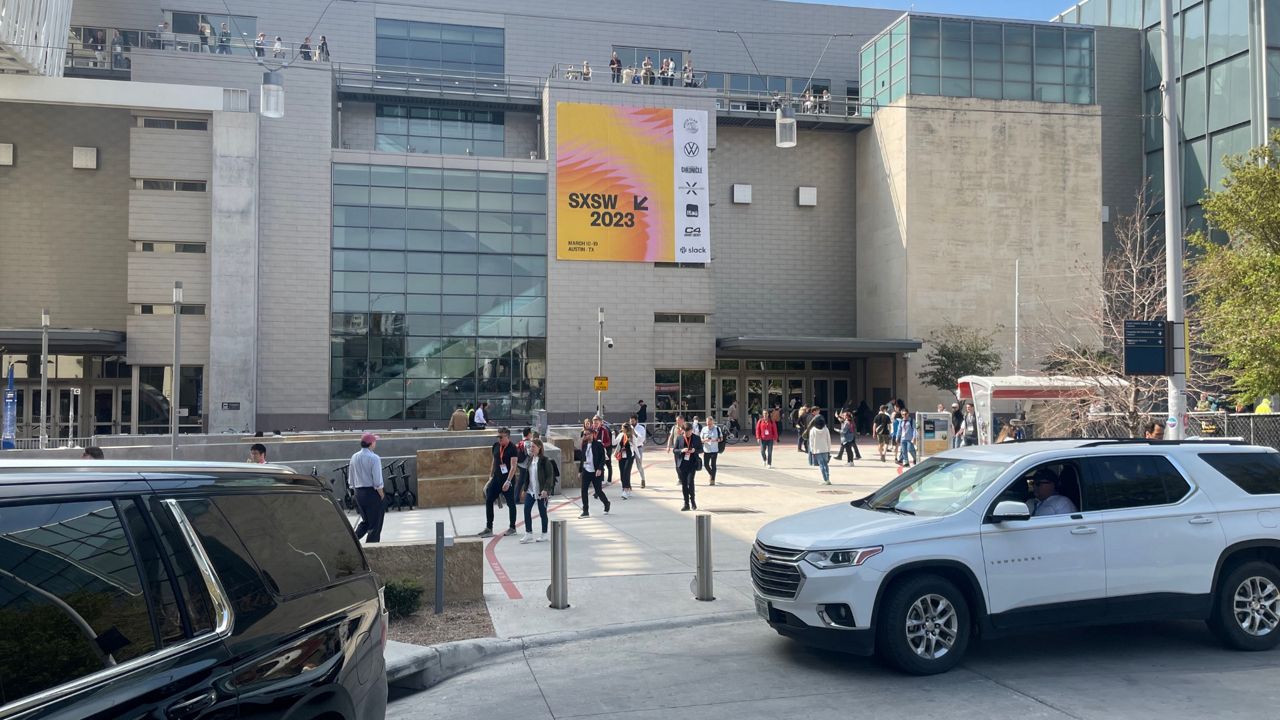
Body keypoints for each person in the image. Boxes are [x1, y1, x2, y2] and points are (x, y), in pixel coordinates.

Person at [479, 428, 519, 537]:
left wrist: (508, 481)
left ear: (508, 437)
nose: (499, 439)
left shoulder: (513, 448)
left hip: (507, 480)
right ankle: (489, 528)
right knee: (489, 499)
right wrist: (490, 476)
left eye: (501, 437)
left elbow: (513, 466)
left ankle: (512, 527)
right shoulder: (496, 446)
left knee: (511, 503)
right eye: (498, 437)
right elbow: (494, 461)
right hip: (496, 478)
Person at [351, 433, 385, 543]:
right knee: (375, 525)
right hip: (372, 493)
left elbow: (350, 478)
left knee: (366, 522)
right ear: (371, 443)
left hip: (358, 493)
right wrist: (381, 494)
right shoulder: (374, 458)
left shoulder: (354, 456)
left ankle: (352, 542)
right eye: (375, 441)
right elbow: (377, 480)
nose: (376, 443)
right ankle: (372, 549)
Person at [518, 439, 553, 543]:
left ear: (539, 448)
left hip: (541, 492)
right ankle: (528, 533)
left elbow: (549, 477)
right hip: (531, 491)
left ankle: (544, 534)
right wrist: (524, 489)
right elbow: (527, 476)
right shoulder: (530, 460)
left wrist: (546, 490)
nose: (531, 449)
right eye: (530, 447)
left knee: (543, 512)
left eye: (533, 447)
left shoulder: (545, 461)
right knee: (526, 510)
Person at [579, 426, 611, 517]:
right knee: (583, 490)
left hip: (596, 471)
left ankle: (606, 503)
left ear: (593, 434)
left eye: (587, 434)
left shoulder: (598, 445)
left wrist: (600, 469)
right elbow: (582, 458)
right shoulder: (584, 445)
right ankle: (585, 511)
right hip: (586, 470)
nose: (585, 436)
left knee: (598, 491)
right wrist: (580, 470)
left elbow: (602, 458)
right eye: (584, 434)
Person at [673, 423, 703, 511]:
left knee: (691, 482)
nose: (687, 434)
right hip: (682, 464)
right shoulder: (679, 438)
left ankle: (693, 501)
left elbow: (701, 449)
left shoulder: (696, 438)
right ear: (683, 431)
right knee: (684, 484)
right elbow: (674, 450)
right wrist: (681, 450)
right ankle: (686, 503)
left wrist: (695, 450)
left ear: (691, 430)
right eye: (685, 432)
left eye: (689, 432)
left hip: (692, 463)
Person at [809, 415, 833, 484]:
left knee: (821, 465)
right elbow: (829, 440)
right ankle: (828, 478)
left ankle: (825, 479)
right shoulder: (826, 429)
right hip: (825, 449)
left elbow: (811, 441)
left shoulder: (813, 430)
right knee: (826, 464)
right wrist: (829, 449)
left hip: (817, 450)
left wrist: (812, 450)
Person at [700, 417, 722, 486]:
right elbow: (700, 439)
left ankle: (712, 479)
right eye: (707, 423)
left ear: (713, 422)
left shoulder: (717, 428)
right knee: (706, 465)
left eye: (710, 423)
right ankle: (711, 474)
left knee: (713, 465)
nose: (709, 425)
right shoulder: (704, 429)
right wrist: (704, 440)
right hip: (706, 449)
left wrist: (716, 440)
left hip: (714, 449)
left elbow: (721, 438)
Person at [616, 423, 636, 498]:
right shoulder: (621, 435)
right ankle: (627, 488)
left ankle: (625, 490)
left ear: (626, 429)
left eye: (623, 428)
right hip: (621, 457)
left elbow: (635, 447)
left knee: (626, 473)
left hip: (629, 457)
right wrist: (613, 434)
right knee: (622, 473)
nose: (622, 429)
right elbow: (615, 443)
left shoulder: (632, 437)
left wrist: (638, 457)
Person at [593, 416, 614, 484]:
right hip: (597, 450)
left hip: (606, 449)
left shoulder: (604, 430)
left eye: (596, 423)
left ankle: (609, 479)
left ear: (600, 423)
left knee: (608, 464)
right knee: (599, 464)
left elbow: (609, 442)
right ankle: (600, 479)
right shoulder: (592, 429)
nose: (595, 424)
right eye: (594, 423)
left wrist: (602, 444)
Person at [629, 414, 647, 488]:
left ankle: (643, 480)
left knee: (639, 465)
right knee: (628, 466)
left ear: (636, 421)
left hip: (638, 448)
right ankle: (628, 483)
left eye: (633, 421)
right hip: (630, 448)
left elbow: (642, 439)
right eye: (630, 421)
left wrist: (634, 433)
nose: (631, 422)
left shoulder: (641, 428)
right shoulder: (629, 427)